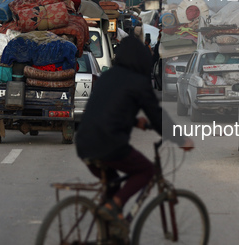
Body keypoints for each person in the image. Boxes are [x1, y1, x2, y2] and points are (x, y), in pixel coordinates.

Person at [76, 36, 193, 237]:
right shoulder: (138, 82)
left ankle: (109, 232)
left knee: (113, 184)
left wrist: (134, 121)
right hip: (109, 144)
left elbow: (108, 109)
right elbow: (157, 116)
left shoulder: (108, 75)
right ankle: (113, 208)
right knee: (146, 171)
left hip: (84, 143)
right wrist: (180, 139)